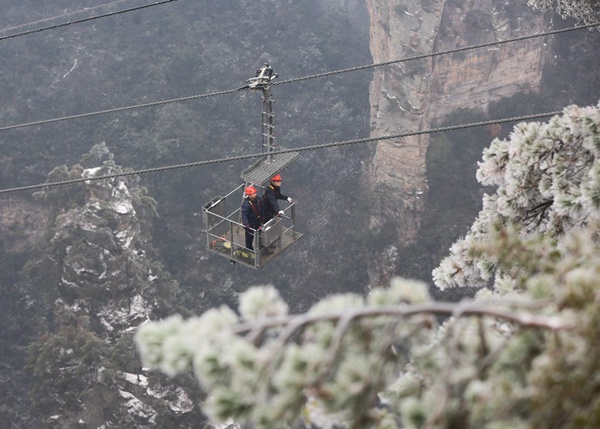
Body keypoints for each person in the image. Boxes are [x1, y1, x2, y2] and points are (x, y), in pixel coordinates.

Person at [241, 185, 263, 250]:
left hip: (257, 222)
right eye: (253, 193)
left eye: (255, 193)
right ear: (249, 195)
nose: (255, 194)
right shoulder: (246, 204)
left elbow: (261, 209)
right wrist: (246, 224)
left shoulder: (258, 200)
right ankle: (249, 250)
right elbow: (244, 215)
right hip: (250, 224)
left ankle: (261, 248)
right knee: (249, 238)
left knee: (260, 237)